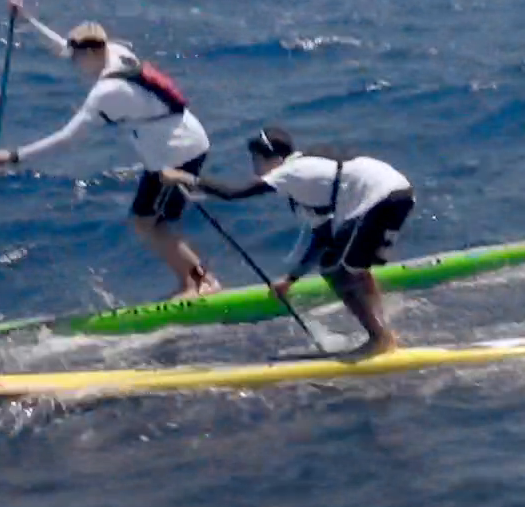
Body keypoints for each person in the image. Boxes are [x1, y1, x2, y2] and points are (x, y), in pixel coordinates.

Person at [0, 0, 221, 299]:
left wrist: (14, 157)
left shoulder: (106, 92)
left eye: (77, 58)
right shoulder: (116, 52)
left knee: (148, 224)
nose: (74, 63)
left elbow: (68, 139)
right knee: (149, 222)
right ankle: (193, 281)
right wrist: (27, 20)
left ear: (90, 52)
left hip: (178, 153)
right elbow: (63, 47)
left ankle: (202, 284)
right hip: (174, 148)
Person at [161, 125, 413, 358]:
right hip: (395, 191)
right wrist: (291, 279)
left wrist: (183, 177)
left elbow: (233, 193)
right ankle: (382, 330)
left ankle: (379, 339)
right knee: (350, 267)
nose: (255, 168)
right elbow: (323, 239)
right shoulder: (306, 179)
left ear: (270, 157)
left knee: (337, 270)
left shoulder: (291, 172)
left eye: (256, 160)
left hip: (379, 195)